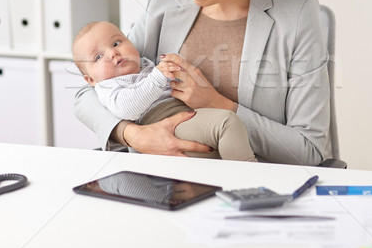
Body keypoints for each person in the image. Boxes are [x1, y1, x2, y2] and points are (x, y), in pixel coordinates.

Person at [75, 0, 329, 165]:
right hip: (163, 176)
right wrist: (133, 135)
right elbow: (90, 91)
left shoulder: (297, 14)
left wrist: (219, 104)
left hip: (249, 181)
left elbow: (309, 151)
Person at [72, 20, 257, 162]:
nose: (113, 53)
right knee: (226, 123)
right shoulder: (107, 86)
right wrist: (159, 76)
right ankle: (251, 181)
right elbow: (127, 109)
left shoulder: (143, 64)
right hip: (163, 124)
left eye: (116, 43)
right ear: (90, 80)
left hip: (186, 117)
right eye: (98, 57)